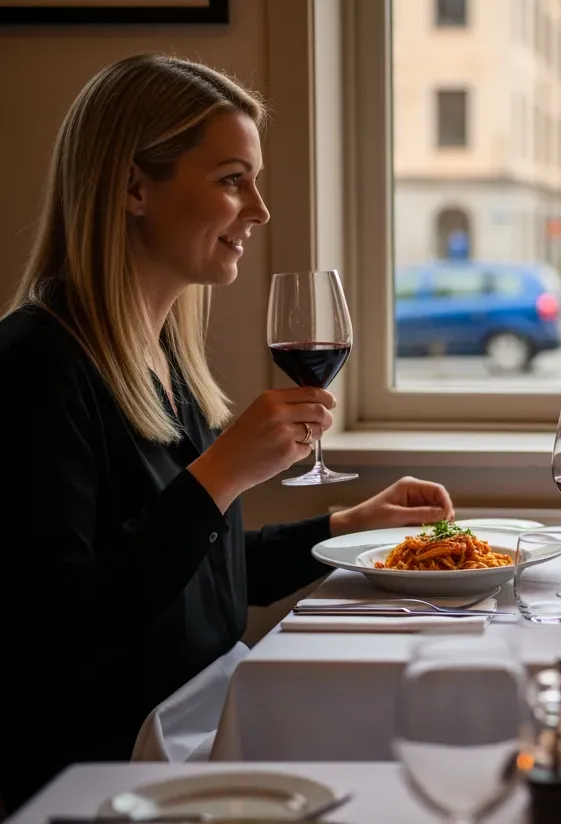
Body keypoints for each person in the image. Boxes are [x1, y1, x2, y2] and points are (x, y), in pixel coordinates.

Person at [0, 54, 457, 812]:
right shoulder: (33, 367)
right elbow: (63, 628)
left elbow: (197, 569)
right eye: (231, 179)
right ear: (133, 187)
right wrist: (220, 475)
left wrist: (348, 529)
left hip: (199, 732)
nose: (260, 211)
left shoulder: (161, 359)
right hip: (113, 779)